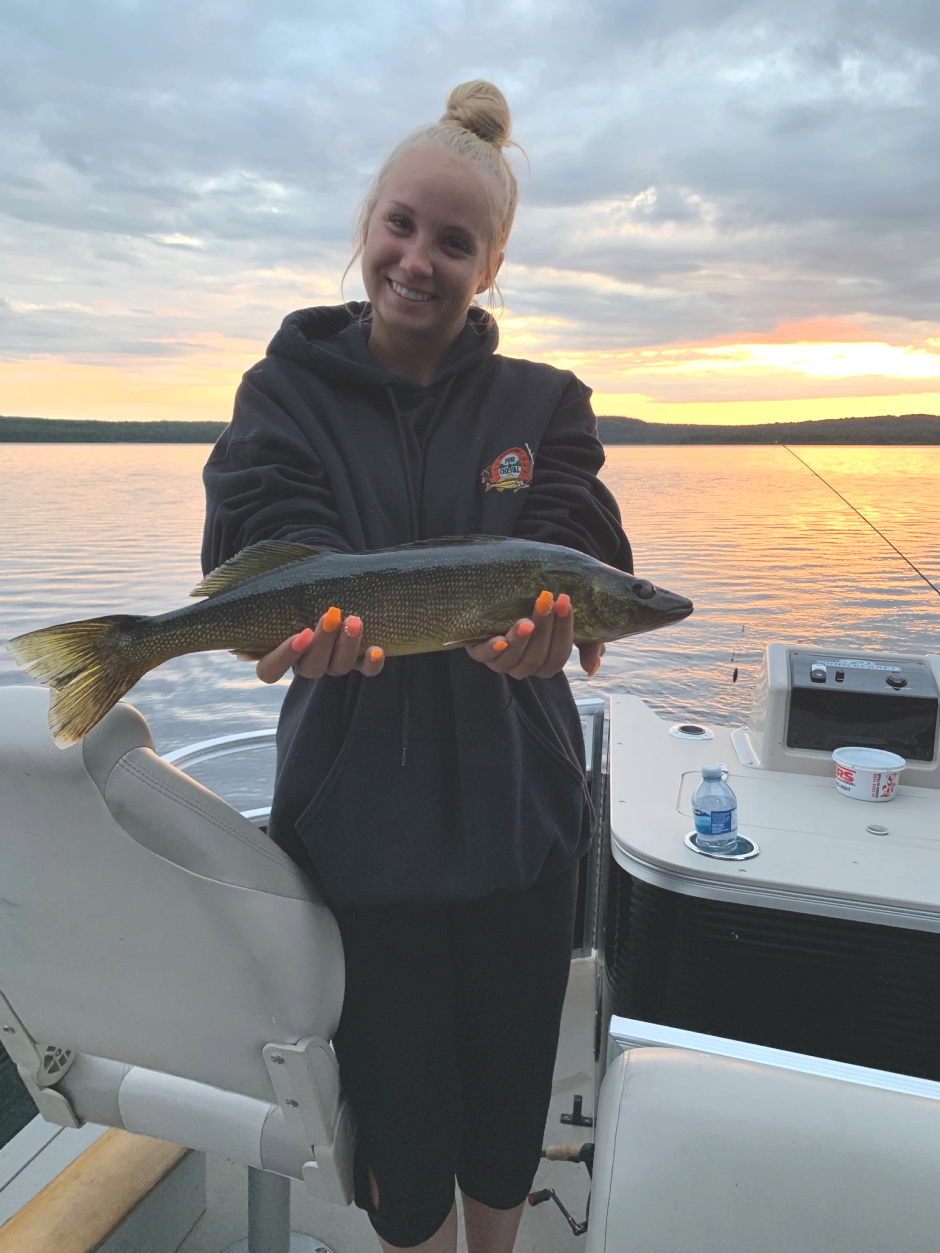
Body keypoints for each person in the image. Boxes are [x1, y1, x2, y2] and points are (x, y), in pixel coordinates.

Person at [202, 81, 633, 1253]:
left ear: (489, 265)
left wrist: (569, 606)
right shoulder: (280, 392)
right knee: (400, 1120)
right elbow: (253, 543)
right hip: (360, 834)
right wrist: (299, 630)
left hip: (520, 824)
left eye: (455, 241)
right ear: (366, 222)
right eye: (401, 224)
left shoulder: (543, 402)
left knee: (504, 1107)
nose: (417, 258)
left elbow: (579, 530)